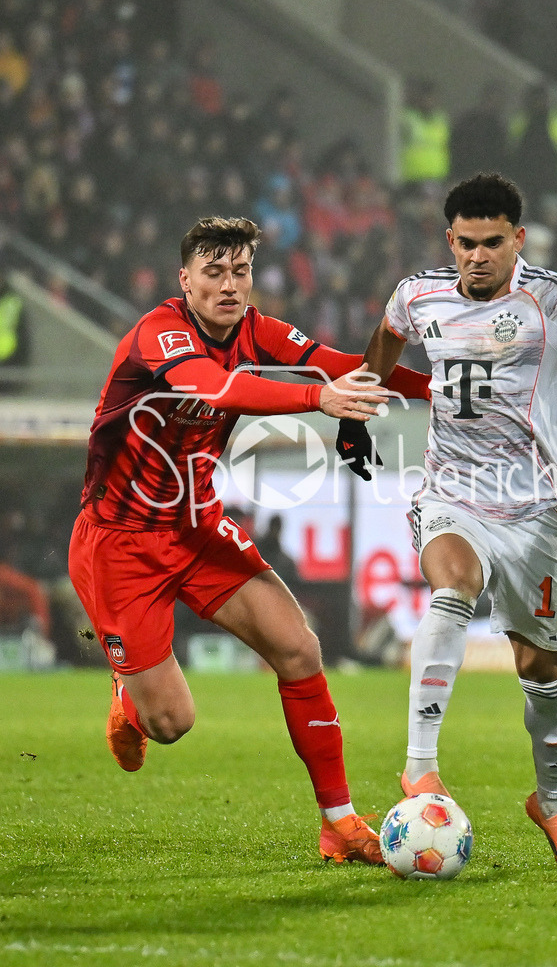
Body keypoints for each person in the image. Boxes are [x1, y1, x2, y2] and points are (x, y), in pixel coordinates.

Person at [68, 216, 431, 866]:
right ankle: (128, 690)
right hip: (120, 544)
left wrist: (439, 391)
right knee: (171, 724)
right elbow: (214, 386)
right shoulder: (159, 333)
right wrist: (320, 400)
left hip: (197, 525)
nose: (230, 286)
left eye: (240, 272)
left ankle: (340, 823)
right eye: (215, 273)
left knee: (298, 648)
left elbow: (345, 365)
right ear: (186, 280)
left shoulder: (255, 329)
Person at [338, 174, 557, 869]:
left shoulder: (555, 297)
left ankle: (553, 807)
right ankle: (420, 768)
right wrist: (359, 409)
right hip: (452, 494)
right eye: (467, 243)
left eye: (493, 243)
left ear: (518, 241)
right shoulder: (418, 295)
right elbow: (385, 344)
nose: (479, 256)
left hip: (535, 512)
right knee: (453, 587)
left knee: (542, 675)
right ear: (451, 240)